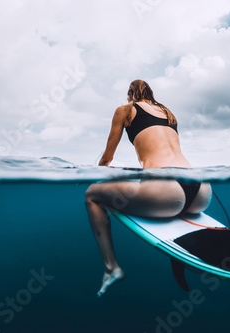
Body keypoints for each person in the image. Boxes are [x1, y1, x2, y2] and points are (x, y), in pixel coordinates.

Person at [85, 79, 212, 297]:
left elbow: (107, 157)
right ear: (151, 94)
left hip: (166, 191)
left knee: (91, 196)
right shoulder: (168, 113)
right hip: (200, 191)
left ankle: (111, 268)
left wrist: (96, 173)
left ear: (130, 94)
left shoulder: (125, 110)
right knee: (171, 205)